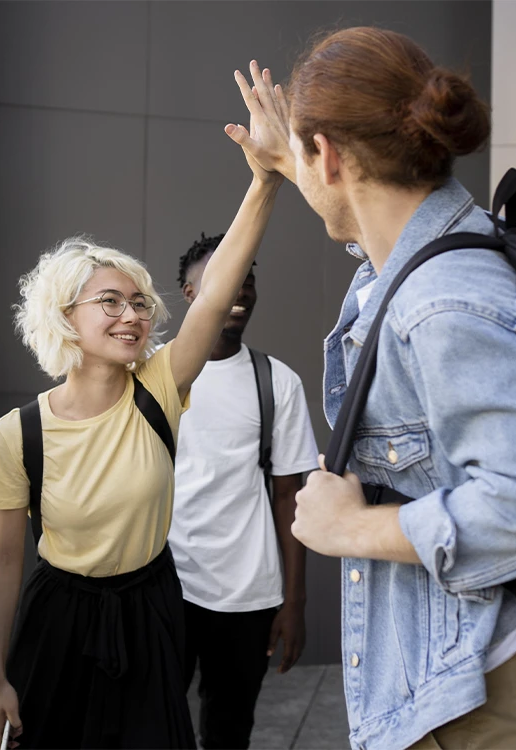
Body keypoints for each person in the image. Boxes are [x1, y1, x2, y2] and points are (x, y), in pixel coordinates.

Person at [225, 29, 516, 750]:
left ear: (334, 157)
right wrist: (289, 159)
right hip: (476, 683)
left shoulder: (443, 300)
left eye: (313, 156)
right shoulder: (428, 256)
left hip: (498, 699)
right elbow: (380, 246)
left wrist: (353, 530)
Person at [0, 68, 283, 750]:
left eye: (139, 302)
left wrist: (264, 180)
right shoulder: (17, 433)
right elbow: (2, 562)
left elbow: (213, 295)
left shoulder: (160, 387)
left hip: (149, 612)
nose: (132, 315)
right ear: (65, 317)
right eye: (109, 302)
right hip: (57, 619)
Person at [171, 233, 318, 748]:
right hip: (165, 586)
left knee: (229, 729)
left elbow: (289, 496)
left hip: (248, 594)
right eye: (223, 278)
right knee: (158, 723)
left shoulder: (278, 381)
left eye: (247, 278)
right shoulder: (153, 374)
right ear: (190, 295)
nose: (238, 288)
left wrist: (294, 601)